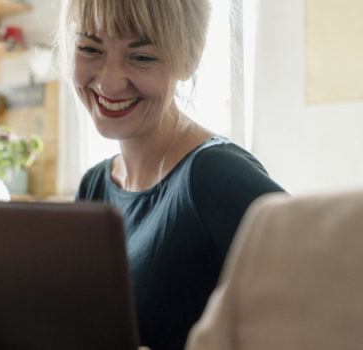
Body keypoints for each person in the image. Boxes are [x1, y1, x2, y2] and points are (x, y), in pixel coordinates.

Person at [58, 1, 285, 349]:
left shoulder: (217, 176)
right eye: (89, 49)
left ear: (191, 55)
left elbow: (326, 316)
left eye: (142, 57)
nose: (110, 81)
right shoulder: (94, 186)